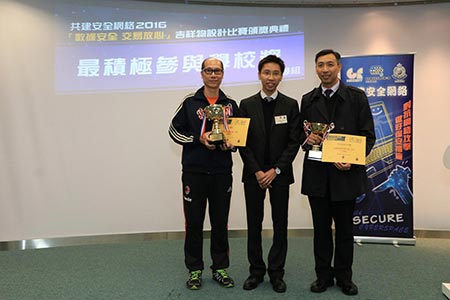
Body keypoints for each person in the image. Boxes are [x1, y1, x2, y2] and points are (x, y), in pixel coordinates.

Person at [299, 49, 375, 296]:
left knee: (344, 231)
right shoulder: (308, 99)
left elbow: (368, 136)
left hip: (345, 176)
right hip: (317, 176)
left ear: (339, 67)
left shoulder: (356, 97)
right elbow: (301, 137)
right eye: (320, 65)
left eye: (330, 64)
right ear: (315, 68)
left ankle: (344, 277)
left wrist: (353, 160)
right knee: (320, 231)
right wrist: (307, 139)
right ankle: (323, 276)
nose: (325, 69)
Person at [168, 58, 239, 290]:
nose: (213, 74)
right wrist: (197, 139)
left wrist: (232, 144)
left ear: (222, 74)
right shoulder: (190, 102)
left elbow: (238, 137)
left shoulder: (230, 104)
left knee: (220, 222)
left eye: (217, 71)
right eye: (209, 70)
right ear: (202, 74)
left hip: (221, 172)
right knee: (194, 222)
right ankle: (195, 269)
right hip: (194, 172)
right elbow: (173, 130)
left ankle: (220, 268)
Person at [239, 55, 301, 293]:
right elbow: (242, 142)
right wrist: (257, 171)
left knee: (280, 224)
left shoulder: (290, 104)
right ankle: (255, 271)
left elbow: (294, 142)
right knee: (253, 224)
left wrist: (275, 171)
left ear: (281, 77)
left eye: (276, 73)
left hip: (279, 175)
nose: (271, 78)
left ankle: (276, 273)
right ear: (259, 74)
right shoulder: (246, 104)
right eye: (267, 72)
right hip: (254, 175)